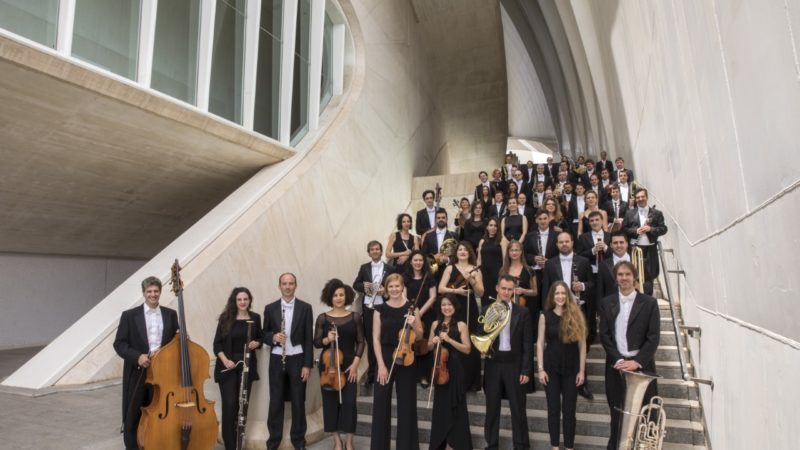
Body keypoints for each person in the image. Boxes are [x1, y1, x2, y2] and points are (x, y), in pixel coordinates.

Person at [598, 261, 660, 449]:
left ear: (634, 277)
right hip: (616, 366)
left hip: (643, 366)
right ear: (615, 278)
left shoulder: (649, 303)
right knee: (616, 415)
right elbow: (605, 336)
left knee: (647, 414)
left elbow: (653, 338)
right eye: (620, 275)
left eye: (627, 274)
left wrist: (637, 362)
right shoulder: (606, 302)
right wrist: (617, 359)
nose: (624, 278)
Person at [113, 276, 180, 450]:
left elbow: (175, 341)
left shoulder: (170, 314)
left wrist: (181, 339)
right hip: (138, 372)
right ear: (143, 293)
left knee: (159, 412)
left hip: (162, 373)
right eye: (149, 291)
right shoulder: (129, 316)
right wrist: (137, 357)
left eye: (156, 291)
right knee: (133, 414)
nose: (153, 294)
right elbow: (119, 344)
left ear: (160, 292)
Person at [371, 273, 424, 450]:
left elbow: (421, 334)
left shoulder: (412, 307)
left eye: (397, 286)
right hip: (385, 356)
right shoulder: (379, 309)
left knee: (407, 403)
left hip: (407, 356)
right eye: (391, 286)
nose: (394, 289)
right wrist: (380, 365)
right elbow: (375, 338)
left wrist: (414, 322)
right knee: (380, 402)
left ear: (402, 288)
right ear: (386, 289)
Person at [482, 275, 534, 450]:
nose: (506, 292)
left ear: (514, 291)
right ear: (497, 288)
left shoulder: (523, 312)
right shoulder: (486, 310)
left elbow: (528, 344)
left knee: (518, 408)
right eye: (503, 288)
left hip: (514, 364)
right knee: (492, 408)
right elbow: (482, 339)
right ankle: (491, 444)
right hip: (493, 364)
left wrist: (526, 370)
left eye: (509, 289)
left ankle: (520, 445)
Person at [263, 273, 314, 450]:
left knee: (298, 401)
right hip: (277, 358)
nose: (288, 286)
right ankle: (273, 441)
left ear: (295, 285)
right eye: (284, 283)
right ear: (279, 286)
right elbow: (264, 334)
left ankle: (299, 441)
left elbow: (308, 337)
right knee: (275, 401)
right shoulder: (270, 308)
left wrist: (307, 364)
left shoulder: (306, 307)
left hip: (298, 359)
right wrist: (273, 337)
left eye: (291, 283)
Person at [541, 231, 595, 400]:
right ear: (556, 245)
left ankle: (581, 381)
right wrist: (545, 311)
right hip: (557, 311)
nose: (564, 244)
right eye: (560, 242)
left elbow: (593, 284)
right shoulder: (550, 264)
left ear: (572, 242)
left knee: (580, 345)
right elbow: (546, 288)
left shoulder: (584, 261)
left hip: (578, 310)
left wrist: (583, 286)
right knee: (561, 345)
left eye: (567, 241)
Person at [313, 279, 364, 450]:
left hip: (350, 365)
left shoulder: (355, 317)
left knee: (349, 403)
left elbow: (361, 342)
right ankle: (337, 441)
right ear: (330, 297)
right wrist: (328, 338)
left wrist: (356, 364)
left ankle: (349, 441)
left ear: (346, 296)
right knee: (330, 403)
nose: (339, 298)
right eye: (335, 295)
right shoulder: (323, 318)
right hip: (329, 366)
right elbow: (317, 343)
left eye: (341, 294)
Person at [537, 281, 587, 450]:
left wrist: (581, 371)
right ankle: (554, 446)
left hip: (572, 369)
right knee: (553, 409)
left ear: (568, 295)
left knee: (569, 411)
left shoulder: (576, 314)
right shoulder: (545, 315)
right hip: (551, 369)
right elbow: (540, 343)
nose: (560, 296)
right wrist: (540, 369)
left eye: (563, 293)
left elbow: (582, 345)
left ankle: (569, 446)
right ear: (552, 296)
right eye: (557, 293)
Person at [213, 287, 263, 450]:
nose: (243, 302)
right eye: (239, 299)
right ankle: (230, 446)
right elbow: (217, 344)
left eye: (245, 299)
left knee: (243, 407)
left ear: (250, 300)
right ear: (234, 301)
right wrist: (225, 360)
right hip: (228, 367)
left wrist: (257, 343)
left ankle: (238, 444)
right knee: (230, 405)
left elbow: (260, 338)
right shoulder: (226, 318)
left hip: (246, 367)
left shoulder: (255, 317)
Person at [427, 296, 474, 450]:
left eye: (449, 304)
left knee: (457, 408)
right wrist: (432, 342)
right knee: (441, 409)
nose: (446, 307)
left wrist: (449, 339)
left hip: (455, 370)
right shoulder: (435, 324)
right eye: (443, 305)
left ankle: (457, 444)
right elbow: (428, 347)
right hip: (440, 370)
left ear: (455, 306)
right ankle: (440, 443)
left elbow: (467, 349)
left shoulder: (461, 325)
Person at [438, 241, 484, 392]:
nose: (462, 252)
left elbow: (481, 292)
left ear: (470, 252)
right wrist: (456, 292)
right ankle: (452, 378)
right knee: (453, 340)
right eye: (460, 249)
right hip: (452, 309)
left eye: (465, 249)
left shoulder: (475, 270)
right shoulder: (450, 268)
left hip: (470, 309)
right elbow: (441, 288)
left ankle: (471, 382)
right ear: (456, 253)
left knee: (470, 341)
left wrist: (471, 279)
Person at [353, 240, 396, 384]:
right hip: (369, 309)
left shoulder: (389, 268)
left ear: (381, 251)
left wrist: (385, 292)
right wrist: (371, 289)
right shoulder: (364, 268)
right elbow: (356, 285)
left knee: (385, 338)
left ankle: (388, 369)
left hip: (384, 308)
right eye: (372, 249)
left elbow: (395, 286)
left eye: (377, 249)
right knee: (371, 341)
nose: (375, 251)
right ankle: (372, 373)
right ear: (369, 252)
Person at [623, 188, 667, 295]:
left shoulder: (657, 213)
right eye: (638, 197)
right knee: (634, 276)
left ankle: (648, 303)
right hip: (635, 250)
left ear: (646, 197)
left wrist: (650, 229)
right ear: (635, 199)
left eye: (642, 196)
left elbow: (663, 229)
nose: (640, 199)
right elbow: (624, 230)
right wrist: (635, 231)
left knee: (649, 277)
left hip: (650, 250)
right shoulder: (629, 213)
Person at [403, 250, 438, 387]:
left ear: (424, 262)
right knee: (410, 342)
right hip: (409, 314)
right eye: (415, 260)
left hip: (426, 314)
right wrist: (414, 314)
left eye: (421, 260)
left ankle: (424, 375)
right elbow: (403, 296)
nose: (418, 263)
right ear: (411, 262)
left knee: (424, 344)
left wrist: (419, 313)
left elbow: (433, 297)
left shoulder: (429, 277)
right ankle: (411, 374)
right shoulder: (405, 277)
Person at [577, 211, 611, 344]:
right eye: (591, 221)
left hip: (607, 275)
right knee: (590, 306)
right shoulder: (583, 238)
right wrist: (592, 251)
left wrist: (606, 248)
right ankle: (591, 334)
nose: (594, 223)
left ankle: (607, 333)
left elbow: (616, 253)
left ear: (602, 221)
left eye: (597, 220)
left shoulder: (609, 236)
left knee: (607, 305)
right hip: (591, 275)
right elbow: (579, 255)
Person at [421, 209, 459, 283]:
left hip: (448, 268)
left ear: (447, 219)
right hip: (432, 269)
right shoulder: (428, 236)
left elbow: (457, 254)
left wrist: (447, 259)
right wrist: (433, 258)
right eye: (438, 218)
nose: (441, 219)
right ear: (435, 220)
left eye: (443, 217)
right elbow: (423, 254)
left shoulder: (454, 235)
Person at [477, 217, 507, 302]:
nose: (493, 227)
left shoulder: (502, 240)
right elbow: (479, 260)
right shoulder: (482, 241)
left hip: (497, 274)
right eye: (491, 225)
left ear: (498, 228)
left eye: (495, 225)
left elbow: (505, 260)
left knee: (497, 300)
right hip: (484, 274)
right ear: (487, 227)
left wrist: (502, 275)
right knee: (485, 300)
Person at [598, 232, 630, 298]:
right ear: (611, 245)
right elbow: (600, 292)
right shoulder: (603, 266)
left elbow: (649, 284)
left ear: (627, 244)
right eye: (615, 243)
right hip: (612, 306)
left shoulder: (639, 260)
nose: (618, 245)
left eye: (621, 242)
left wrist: (638, 286)